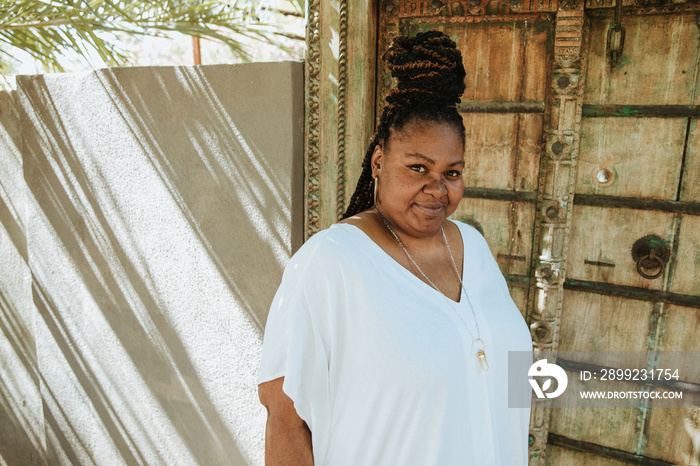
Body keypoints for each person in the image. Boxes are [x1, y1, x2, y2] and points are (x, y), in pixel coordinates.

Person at [257, 30, 532, 465]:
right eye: (418, 167)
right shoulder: (330, 262)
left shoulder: (473, 247)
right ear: (379, 162)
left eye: (452, 173)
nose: (436, 189)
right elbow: (285, 419)